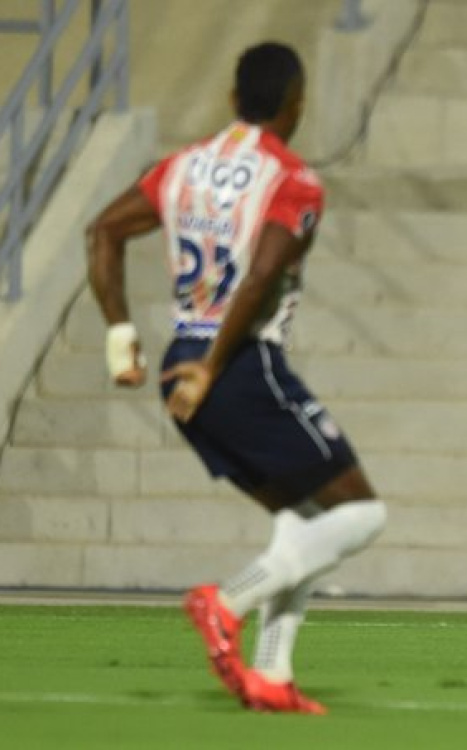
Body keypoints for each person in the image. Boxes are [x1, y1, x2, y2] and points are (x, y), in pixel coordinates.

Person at [86, 41, 387, 712]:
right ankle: (228, 602)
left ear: (232, 99)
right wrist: (215, 367)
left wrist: (121, 341)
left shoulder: (182, 167)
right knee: (362, 512)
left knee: (301, 518)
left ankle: (271, 676)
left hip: (179, 360)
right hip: (236, 361)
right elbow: (259, 277)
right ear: (297, 104)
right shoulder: (293, 180)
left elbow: (101, 232)